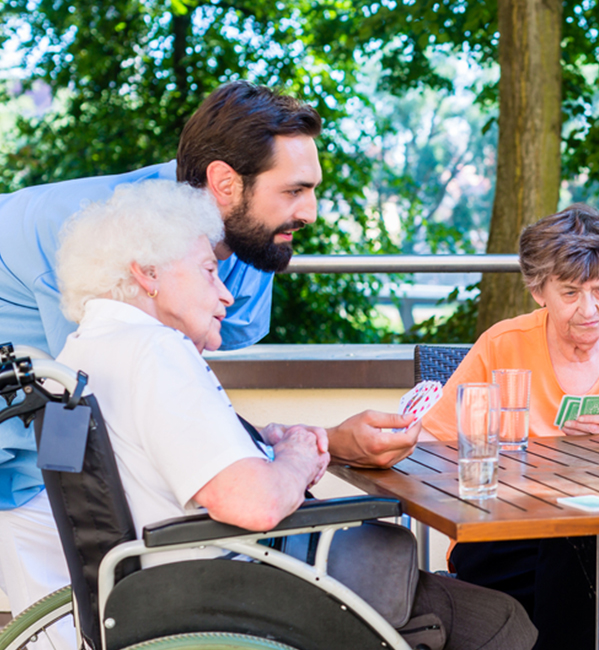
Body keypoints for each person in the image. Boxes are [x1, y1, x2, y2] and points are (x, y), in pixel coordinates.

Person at [0, 81, 417, 649]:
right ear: (224, 183)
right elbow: (121, 412)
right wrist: (302, 455)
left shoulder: (235, 237)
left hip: (75, 446)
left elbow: (186, 405)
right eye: (294, 190)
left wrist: (307, 443)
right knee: (74, 627)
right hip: (30, 461)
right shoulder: (105, 243)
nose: (310, 212)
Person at [52, 180, 537, 650]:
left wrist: (265, 442)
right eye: (208, 271)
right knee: (500, 620)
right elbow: (256, 505)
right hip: (233, 593)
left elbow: (162, 460)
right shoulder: (156, 351)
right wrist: (299, 456)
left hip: (154, 592)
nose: (226, 294)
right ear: (147, 273)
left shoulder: (83, 352)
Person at [410, 204, 599, 649]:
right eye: (570, 293)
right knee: (578, 558)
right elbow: (430, 443)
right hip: (507, 536)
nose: (589, 310)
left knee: (581, 542)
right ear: (539, 290)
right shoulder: (503, 345)